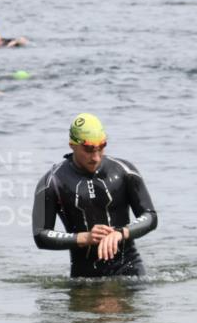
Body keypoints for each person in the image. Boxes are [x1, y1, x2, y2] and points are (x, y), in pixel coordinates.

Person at [32, 113, 157, 278]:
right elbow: (40, 235)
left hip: (129, 271)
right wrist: (84, 238)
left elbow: (150, 216)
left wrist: (121, 232)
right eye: (89, 149)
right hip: (84, 278)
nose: (96, 157)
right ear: (72, 145)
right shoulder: (52, 182)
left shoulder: (124, 171)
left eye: (101, 147)